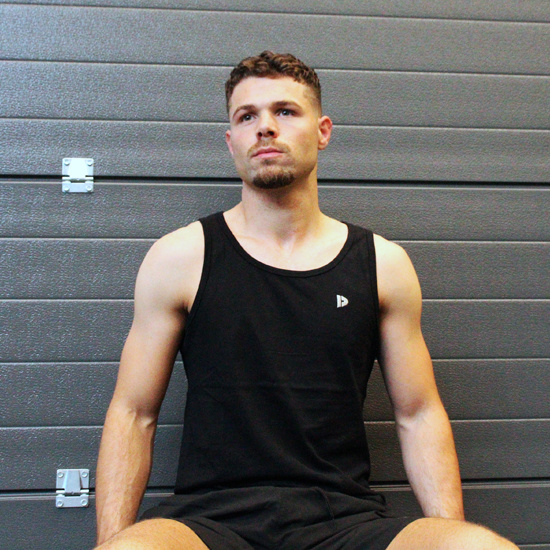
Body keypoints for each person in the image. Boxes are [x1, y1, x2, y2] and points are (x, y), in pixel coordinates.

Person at [95, 51, 518, 550]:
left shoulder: (382, 265)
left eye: (285, 111)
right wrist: (110, 543)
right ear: (231, 142)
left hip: (343, 521)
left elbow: (418, 414)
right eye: (246, 116)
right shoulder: (179, 258)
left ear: (322, 131)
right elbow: (133, 413)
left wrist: (450, 532)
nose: (264, 127)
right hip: (208, 523)